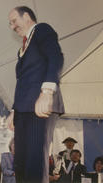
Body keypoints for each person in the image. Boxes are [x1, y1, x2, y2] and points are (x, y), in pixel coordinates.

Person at [8, 6, 64, 183]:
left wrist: (47, 92)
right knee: (20, 163)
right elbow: (23, 81)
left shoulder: (42, 29)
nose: (12, 26)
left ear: (26, 17)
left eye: (14, 21)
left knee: (34, 163)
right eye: (10, 24)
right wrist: (14, 110)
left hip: (40, 105)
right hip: (23, 110)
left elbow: (56, 57)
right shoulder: (22, 48)